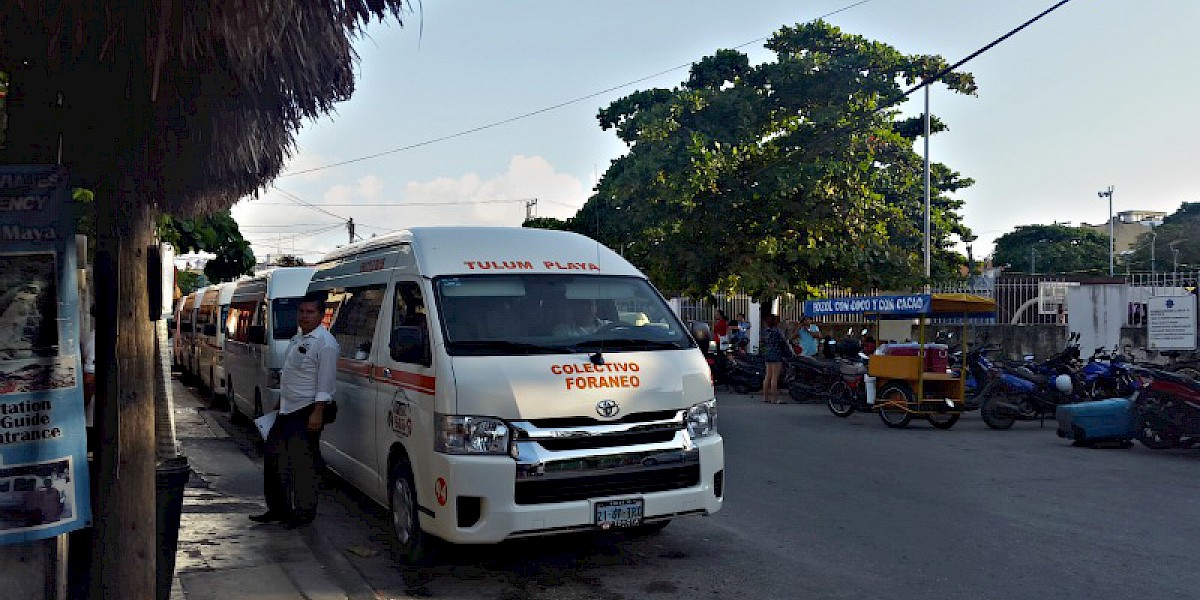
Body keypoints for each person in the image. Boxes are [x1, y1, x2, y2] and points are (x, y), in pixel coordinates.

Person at [250, 291, 339, 528]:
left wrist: (318, 412)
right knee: (274, 457)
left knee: (302, 464)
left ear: (321, 315)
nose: (304, 316)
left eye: (310, 312)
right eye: (302, 311)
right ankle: (278, 509)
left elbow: (325, 383)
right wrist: (280, 403)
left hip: (308, 409)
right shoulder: (297, 338)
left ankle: (303, 513)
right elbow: (290, 375)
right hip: (288, 408)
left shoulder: (326, 344)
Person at [760, 314, 790, 404]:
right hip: (776, 354)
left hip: (768, 353)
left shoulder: (765, 331)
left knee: (767, 376)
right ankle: (774, 399)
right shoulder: (777, 331)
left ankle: (765, 397)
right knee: (774, 377)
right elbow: (783, 342)